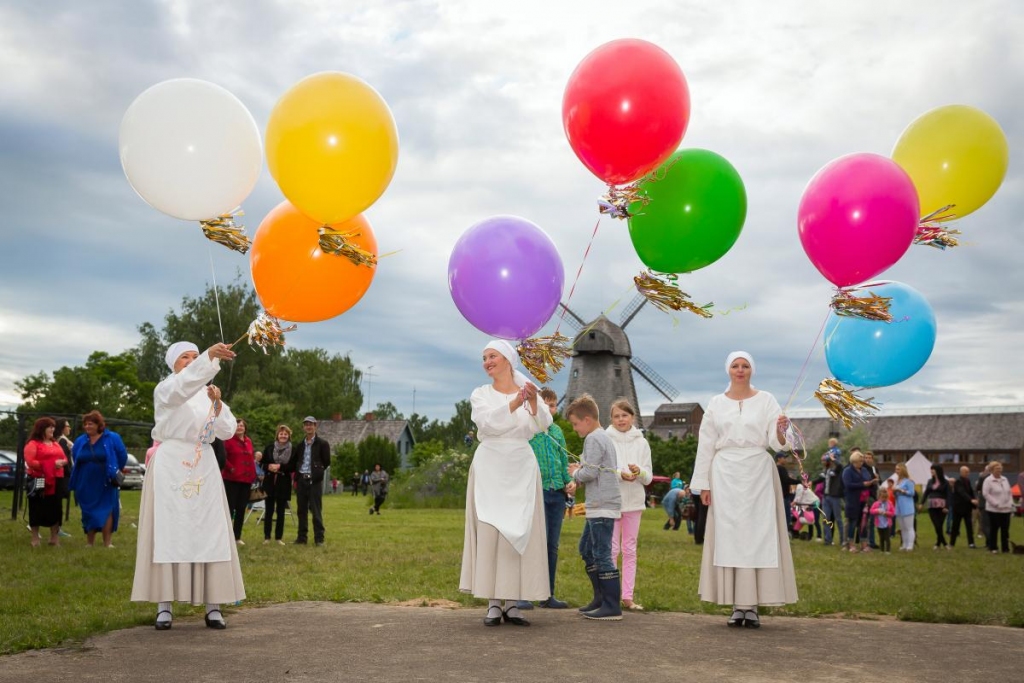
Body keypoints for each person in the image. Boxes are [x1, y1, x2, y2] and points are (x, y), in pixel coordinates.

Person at [131, 341, 242, 630]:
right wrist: (209, 358)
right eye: (185, 358)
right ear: (173, 363)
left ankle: (214, 604)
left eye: (195, 357)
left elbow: (227, 431)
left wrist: (217, 404)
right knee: (168, 531)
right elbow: (184, 386)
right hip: (172, 465)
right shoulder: (166, 388)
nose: (191, 362)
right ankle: (164, 606)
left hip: (203, 463)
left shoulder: (206, 394)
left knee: (210, 530)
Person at [691, 351, 797, 629]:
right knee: (730, 537)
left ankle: (752, 606)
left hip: (758, 475)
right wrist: (703, 483)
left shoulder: (767, 400)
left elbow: (779, 443)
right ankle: (738, 606)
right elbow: (706, 444)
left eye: (745, 366)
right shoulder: (715, 404)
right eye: (736, 366)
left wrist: (783, 430)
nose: (740, 370)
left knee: (757, 536)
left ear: (752, 370)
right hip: (724, 475)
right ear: (728, 370)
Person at [459, 340, 552, 627]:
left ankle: (513, 603)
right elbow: (485, 424)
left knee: (520, 529)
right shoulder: (481, 394)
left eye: (492, 356)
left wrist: (533, 400)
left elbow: (541, 425)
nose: (487, 361)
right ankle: (492, 603)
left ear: (508, 360)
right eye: (484, 357)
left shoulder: (527, 391)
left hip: (521, 465)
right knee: (490, 530)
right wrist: (514, 402)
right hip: (490, 465)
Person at [567, 394, 622, 621]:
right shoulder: (601, 437)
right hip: (597, 505)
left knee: (601, 554)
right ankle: (600, 598)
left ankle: (611, 605)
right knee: (586, 550)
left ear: (587, 419)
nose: (574, 428)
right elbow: (594, 469)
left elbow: (590, 472)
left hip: (602, 506)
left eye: (575, 423)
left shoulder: (593, 439)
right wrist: (580, 475)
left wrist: (575, 473)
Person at [518, 386, 573, 611]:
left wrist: (568, 480)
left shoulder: (557, 431)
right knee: (531, 544)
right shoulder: (529, 430)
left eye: (553, 405)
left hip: (556, 492)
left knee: (552, 545)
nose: (550, 409)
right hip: (536, 491)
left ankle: (547, 594)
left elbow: (562, 457)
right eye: (546, 405)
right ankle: (524, 593)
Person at [606, 399, 653, 612]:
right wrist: (619, 474)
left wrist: (638, 472)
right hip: (613, 502)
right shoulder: (606, 439)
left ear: (632, 417)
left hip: (634, 502)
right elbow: (603, 470)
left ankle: (628, 596)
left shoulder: (641, 442)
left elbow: (648, 476)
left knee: (630, 549)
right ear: (611, 419)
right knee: (612, 549)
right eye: (616, 416)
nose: (621, 420)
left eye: (624, 416)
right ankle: (610, 594)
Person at [68, 411, 128, 548]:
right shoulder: (80, 440)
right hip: (86, 480)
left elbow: (122, 455)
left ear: (99, 425)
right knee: (88, 510)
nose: (88, 426)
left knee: (107, 509)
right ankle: (90, 542)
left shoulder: (112, 437)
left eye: (91, 424)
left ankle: (107, 542)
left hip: (106, 479)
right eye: (86, 424)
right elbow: (76, 455)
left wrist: (114, 469)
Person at [24, 417, 70, 547]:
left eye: (53, 426)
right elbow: (30, 462)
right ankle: (35, 538)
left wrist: (62, 462)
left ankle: (54, 538)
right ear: (41, 429)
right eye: (49, 427)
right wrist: (51, 464)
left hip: (57, 480)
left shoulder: (55, 443)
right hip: (39, 480)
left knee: (56, 508)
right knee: (37, 507)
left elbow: (65, 458)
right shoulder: (33, 444)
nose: (52, 429)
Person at [293, 417, 331, 546]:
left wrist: (317, 472)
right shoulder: (299, 445)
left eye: (311, 425)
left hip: (314, 481)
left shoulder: (322, 444)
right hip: (302, 480)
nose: (308, 427)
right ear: (304, 427)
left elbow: (326, 462)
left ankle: (319, 538)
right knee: (301, 510)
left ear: (315, 426)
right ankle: (301, 538)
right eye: (306, 425)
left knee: (316, 510)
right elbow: (296, 461)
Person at [222, 418, 257, 546]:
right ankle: (226, 536)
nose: (239, 427)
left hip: (246, 480)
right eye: (237, 425)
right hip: (231, 479)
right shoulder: (228, 441)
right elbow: (223, 458)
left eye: (242, 425)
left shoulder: (248, 441)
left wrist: (254, 475)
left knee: (242, 508)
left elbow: (251, 458)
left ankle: (237, 537)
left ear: (245, 428)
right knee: (229, 509)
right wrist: (231, 468)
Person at [261, 424, 295, 545]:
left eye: (285, 434)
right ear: (277, 435)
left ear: (289, 436)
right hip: (270, 482)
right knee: (268, 511)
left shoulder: (293, 449)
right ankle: (267, 537)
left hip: (283, 482)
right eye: (281, 433)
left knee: (281, 511)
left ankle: (278, 538)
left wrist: (280, 466)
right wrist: (269, 466)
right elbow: (262, 463)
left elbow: (293, 466)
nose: (283, 436)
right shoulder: (269, 447)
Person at [841, 451, 875, 553]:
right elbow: (848, 485)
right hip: (853, 501)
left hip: (864, 501)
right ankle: (850, 544)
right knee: (853, 522)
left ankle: (864, 544)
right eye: (860, 461)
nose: (861, 463)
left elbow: (868, 479)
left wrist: (872, 483)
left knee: (863, 523)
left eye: (862, 461)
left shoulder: (864, 470)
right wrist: (863, 484)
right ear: (854, 461)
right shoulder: (847, 471)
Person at [982, 462, 1013, 554]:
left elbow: (1009, 492)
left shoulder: (1005, 479)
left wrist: (1010, 503)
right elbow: (985, 494)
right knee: (994, 529)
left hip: (1006, 509)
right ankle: (993, 547)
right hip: (994, 509)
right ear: (992, 470)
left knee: (1005, 529)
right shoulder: (988, 480)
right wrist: (995, 503)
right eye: (996, 469)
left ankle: (1005, 548)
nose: (999, 470)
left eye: (1000, 468)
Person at [922, 464, 951, 550]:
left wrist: (947, 507)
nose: (931, 471)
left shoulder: (945, 482)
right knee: (936, 525)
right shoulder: (930, 481)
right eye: (931, 470)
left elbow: (949, 495)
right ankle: (944, 543)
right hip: (932, 505)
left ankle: (938, 543)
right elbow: (926, 493)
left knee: (940, 525)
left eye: (933, 470)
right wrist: (921, 503)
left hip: (942, 506)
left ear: (938, 471)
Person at [820, 457, 845, 547]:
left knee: (838, 519)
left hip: (835, 497)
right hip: (826, 497)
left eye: (826, 461)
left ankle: (843, 540)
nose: (824, 462)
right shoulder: (825, 471)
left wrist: (834, 459)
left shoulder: (837, 470)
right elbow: (820, 479)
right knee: (826, 519)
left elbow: (840, 465)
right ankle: (828, 540)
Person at [950, 466, 977, 549]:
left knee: (969, 526)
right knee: (955, 526)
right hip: (958, 508)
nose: (967, 474)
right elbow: (962, 492)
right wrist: (970, 500)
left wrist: (974, 500)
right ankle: (952, 543)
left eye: (968, 472)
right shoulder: (958, 482)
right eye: (966, 472)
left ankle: (971, 543)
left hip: (967, 508)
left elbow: (970, 492)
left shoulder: (968, 481)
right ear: (961, 472)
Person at [893, 463, 917, 551]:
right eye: (896, 469)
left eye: (898, 469)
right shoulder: (898, 481)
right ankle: (904, 543)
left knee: (909, 527)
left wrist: (902, 491)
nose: (896, 471)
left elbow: (912, 493)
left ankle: (910, 545)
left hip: (907, 507)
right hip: (899, 506)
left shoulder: (909, 481)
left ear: (903, 470)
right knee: (902, 527)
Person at [775, 452, 799, 537]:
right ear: (779, 459)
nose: (785, 459)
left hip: (778, 495)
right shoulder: (781, 468)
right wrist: (799, 481)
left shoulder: (775, 468)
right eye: (784, 458)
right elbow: (787, 480)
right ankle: (785, 534)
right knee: (786, 516)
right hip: (784, 495)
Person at [869, 484, 896, 553]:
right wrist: (877, 511)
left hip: (887, 524)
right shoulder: (876, 504)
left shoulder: (889, 503)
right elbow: (871, 511)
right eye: (882, 497)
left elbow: (893, 513)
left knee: (887, 537)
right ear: (879, 497)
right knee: (881, 537)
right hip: (879, 523)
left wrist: (886, 513)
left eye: (885, 497)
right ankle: (882, 549)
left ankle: (887, 550)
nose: (884, 499)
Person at [862, 451, 881, 548]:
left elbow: (879, 482)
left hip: (874, 496)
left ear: (872, 459)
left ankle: (872, 541)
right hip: (866, 496)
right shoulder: (862, 469)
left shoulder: (874, 469)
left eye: (869, 458)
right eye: (866, 457)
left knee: (872, 520)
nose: (867, 459)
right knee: (866, 520)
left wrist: (878, 479)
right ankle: (866, 541)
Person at [975, 464, 992, 548]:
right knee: (991, 524)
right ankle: (988, 543)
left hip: (984, 503)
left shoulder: (982, 477)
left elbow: (977, 488)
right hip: (994, 504)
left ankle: (990, 542)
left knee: (984, 524)